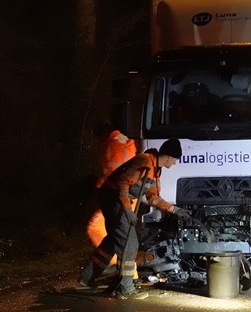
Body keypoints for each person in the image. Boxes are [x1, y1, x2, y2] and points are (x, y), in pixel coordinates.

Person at [79, 138, 191, 299]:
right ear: (168, 156)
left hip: (116, 199)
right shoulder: (144, 162)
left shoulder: (155, 169)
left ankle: (87, 278)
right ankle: (125, 287)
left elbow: (152, 197)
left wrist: (175, 210)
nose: (174, 164)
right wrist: (127, 209)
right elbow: (122, 183)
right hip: (112, 198)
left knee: (114, 240)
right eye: (174, 160)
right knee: (129, 243)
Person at [86, 121, 137, 262]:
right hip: (127, 195)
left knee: (95, 227)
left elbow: (112, 173)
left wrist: (100, 184)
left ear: (102, 135)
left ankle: (116, 264)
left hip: (117, 196)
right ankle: (117, 265)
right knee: (119, 233)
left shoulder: (111, 146)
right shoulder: (125, 141)